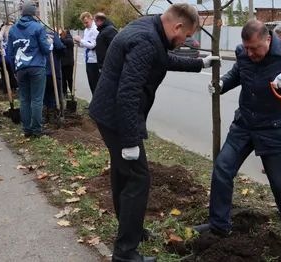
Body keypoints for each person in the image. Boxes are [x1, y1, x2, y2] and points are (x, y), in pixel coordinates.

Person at [88, 3, 220, 262]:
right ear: (177, 26)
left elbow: (162, 59)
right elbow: (128, 93)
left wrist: (199, 63)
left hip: (109, 113)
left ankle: (132, 231)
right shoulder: (147, 39)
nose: (185, 41)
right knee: (138, 179)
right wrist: (129, 141)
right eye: (186, 36)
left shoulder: (150, 28)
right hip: (117, 117)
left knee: (123, 175)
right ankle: (125, 253)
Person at [193, 20, 281, 236]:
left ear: (268, 39)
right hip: (245, 123)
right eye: (246, 48)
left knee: (279, 180)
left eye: (254, 48)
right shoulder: (243, 52)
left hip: (274, 127)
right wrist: (223, 84)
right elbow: (238, 73)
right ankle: (219, 225)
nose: (250, 53)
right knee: (222, 168)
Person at [8, 1, 53, 137]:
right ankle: (37, 130)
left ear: (22, 12)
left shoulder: (13, 29)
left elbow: (10, 53)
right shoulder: (37, 28)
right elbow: (45, 49)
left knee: (24, 99)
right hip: (37, 67)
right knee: (37, 99)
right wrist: (50, 44)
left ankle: (26, 129)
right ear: (34, 13)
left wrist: (14, 70)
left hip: (21, 68)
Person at [74, 12, 99, 96]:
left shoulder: (95, 30)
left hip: (94, 60)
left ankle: (96, 103)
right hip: (87, 59)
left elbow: (92, 45)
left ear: (91, 19)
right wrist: (79, 43)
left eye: (86, 22)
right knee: (91, 83)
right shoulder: (86, 30)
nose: (85, 24)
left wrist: (81, 40)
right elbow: (85, 45)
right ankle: (94, 101)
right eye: (84, 23)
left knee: (95, 83)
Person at [43, 29, 65, 124]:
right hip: (52, 70)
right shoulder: (52, 36)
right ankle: (52, 115)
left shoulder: (36, 36)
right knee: (53, 92)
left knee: (42, 93)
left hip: (41, 70)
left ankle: (43, 115)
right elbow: (60, 47)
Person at [0, 23, 18, 92]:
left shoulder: (3, 35)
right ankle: (8, 88)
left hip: (6, 58)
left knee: (9, 73)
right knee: (6, 73)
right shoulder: (2, 35)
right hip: (4, 58)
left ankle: (11, 87)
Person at [59, 27, 74, 99]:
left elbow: (70, 43)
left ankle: (72, 92)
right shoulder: (58, 37)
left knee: (69, 79)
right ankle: (64, 93)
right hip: (61, 62)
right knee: (63, 79)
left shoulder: (68, 36)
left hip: (68, 62)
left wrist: (61, 39)